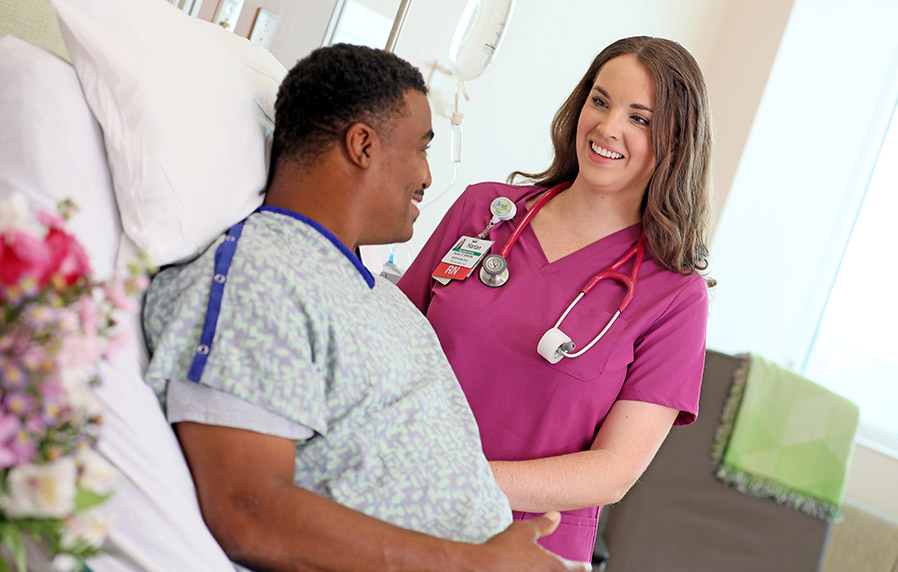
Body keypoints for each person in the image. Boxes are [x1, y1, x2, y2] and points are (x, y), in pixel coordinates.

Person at [142, 44, 589, 572]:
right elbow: (249, 512)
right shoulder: (260, 278)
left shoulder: (381, 302)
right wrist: (473, 564)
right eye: (421, 148)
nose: (427, 176)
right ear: (362, 145)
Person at [397, 35, 714, 562]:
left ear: (676, 144)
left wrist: (461, 479)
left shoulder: (675, 297)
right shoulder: (485, 211)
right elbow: (390, 341)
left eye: (640, 118)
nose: (608, 128)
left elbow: (613, 472)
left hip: (526, 548)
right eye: (600, 100)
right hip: (395, 501)